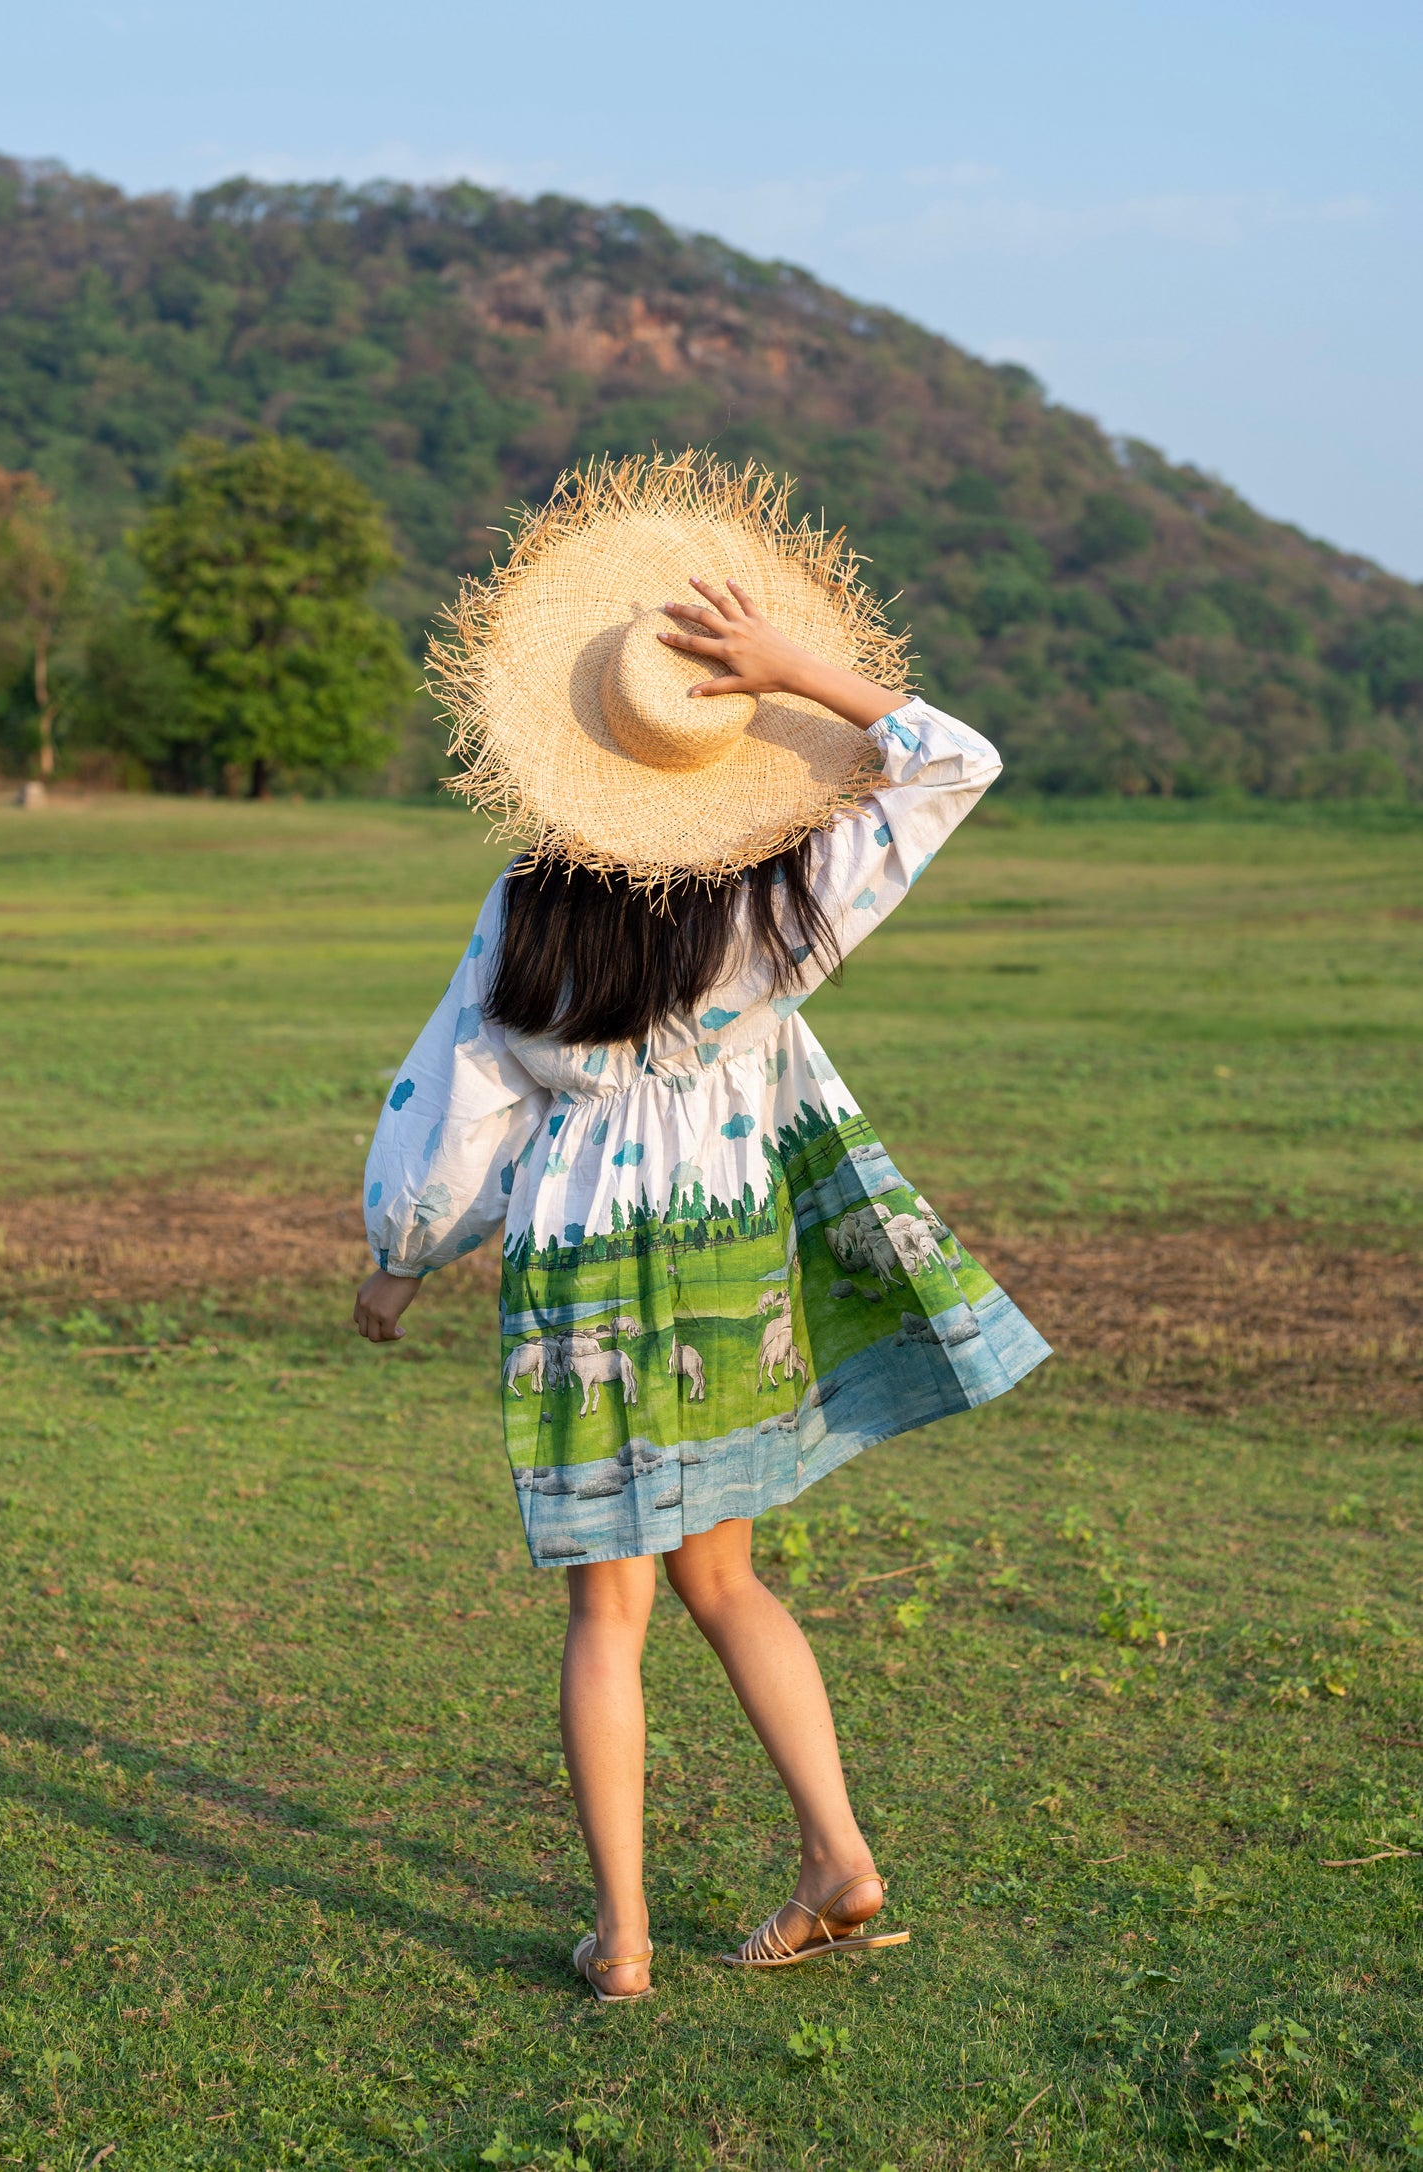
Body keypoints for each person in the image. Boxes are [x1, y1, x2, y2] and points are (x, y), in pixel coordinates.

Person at [352, 452, 1050, 2002]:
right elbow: (952, 761)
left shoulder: (522, 912)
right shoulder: (776, 902)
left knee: (610, 1602)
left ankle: (625, 1938)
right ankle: (836, 1856)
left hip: (582, 1253)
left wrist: (399, 1260)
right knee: (724, 1579)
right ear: (728, 740)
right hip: (730, 1241)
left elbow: (451, 1105)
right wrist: (802, 671)